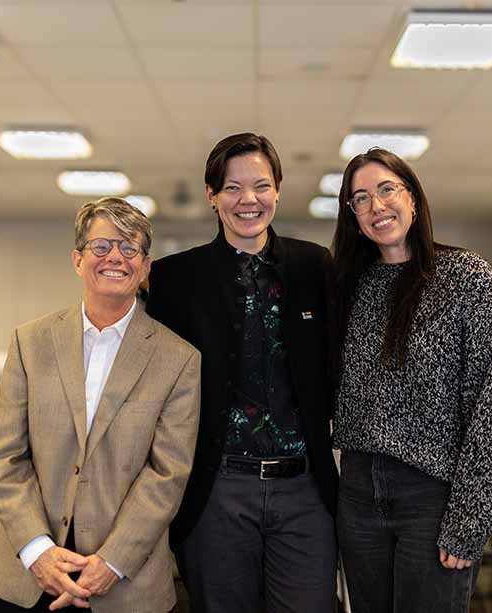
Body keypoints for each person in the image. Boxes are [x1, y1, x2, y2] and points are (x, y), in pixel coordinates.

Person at [146, 132, 338, 612]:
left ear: (278, 191)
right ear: (211, 196)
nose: (247, 200)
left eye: (260, 185)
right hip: (216, 491)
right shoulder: (175, 280)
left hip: (305, 491)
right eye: (232, 188)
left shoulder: (316, 267)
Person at [0, 197, 201, 613]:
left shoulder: (180, 359)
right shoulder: (29, 343)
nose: (115, 257)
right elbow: (6, 458)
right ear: (78, 260)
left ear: (145, 266)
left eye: (129, 248)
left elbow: (167, 474)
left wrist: (113, 560)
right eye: (101, 246)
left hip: (126, 584)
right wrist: (36, 550)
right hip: (26, 576)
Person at [330, 147, 492, 613]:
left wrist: (471, 517)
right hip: (356, 491)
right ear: (353, 216)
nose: (377, 206)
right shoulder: (345, 286)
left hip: (432, 494)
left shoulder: (465, 278)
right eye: (361, 198)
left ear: (412, 198)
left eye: (387, 189)